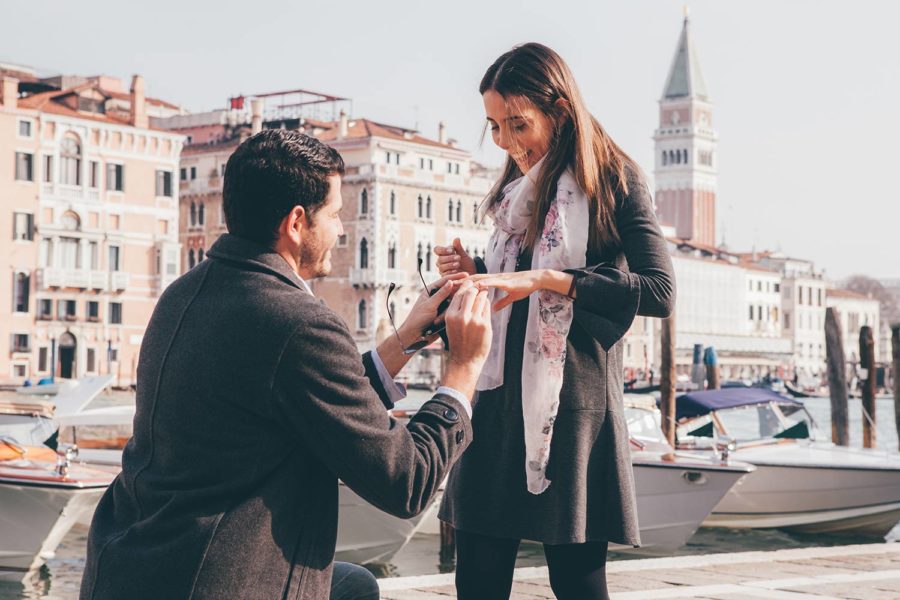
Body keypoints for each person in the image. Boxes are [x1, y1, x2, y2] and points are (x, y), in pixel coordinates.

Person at [81, 129, 492, 600]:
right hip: (212, 581)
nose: (340, 230)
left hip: (130, 565)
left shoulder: (183, 294)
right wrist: (462, 369)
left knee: (351, 585)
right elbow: (407, 483)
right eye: (335, 215)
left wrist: (404, 341)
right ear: (297, 223)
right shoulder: (299, 321)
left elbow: (308, 390)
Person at [435, 43, 676, 600]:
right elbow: (516, 283)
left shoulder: (616, 180)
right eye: (494, 126)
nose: (506, 142)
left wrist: (551, 280)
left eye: (518, 124)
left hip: (571, 411)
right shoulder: (514, 189)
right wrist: (477, 271)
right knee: (476, 582)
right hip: (493, 404)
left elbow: (659, 292)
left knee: (578, 587)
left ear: (560, 110)